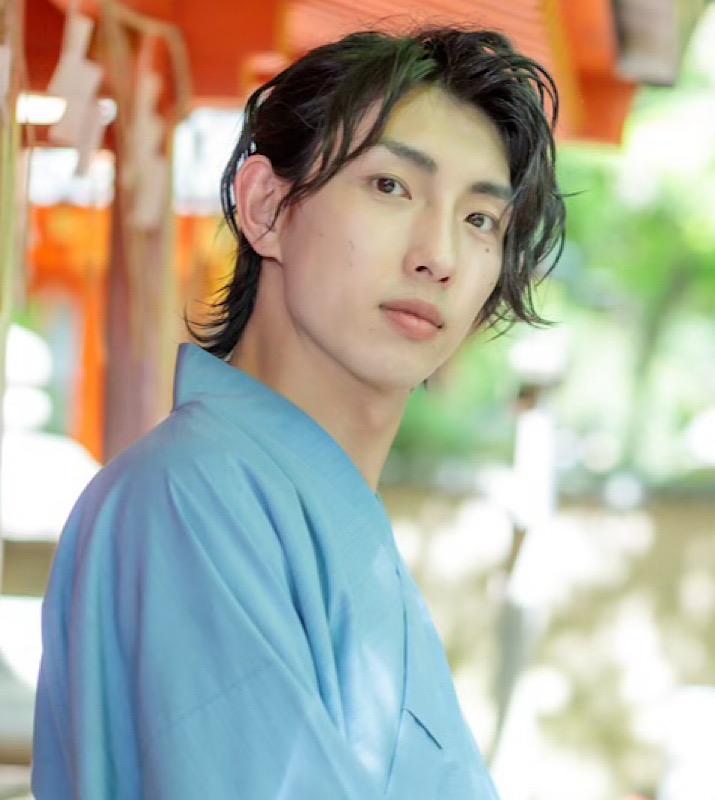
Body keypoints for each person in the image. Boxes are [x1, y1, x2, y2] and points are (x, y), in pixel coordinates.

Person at [32, 25, 565, 799]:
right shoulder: (194, 494)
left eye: (479, 219)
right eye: (390, 186)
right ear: (267, 206)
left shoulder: (315, 514)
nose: (439, 256)